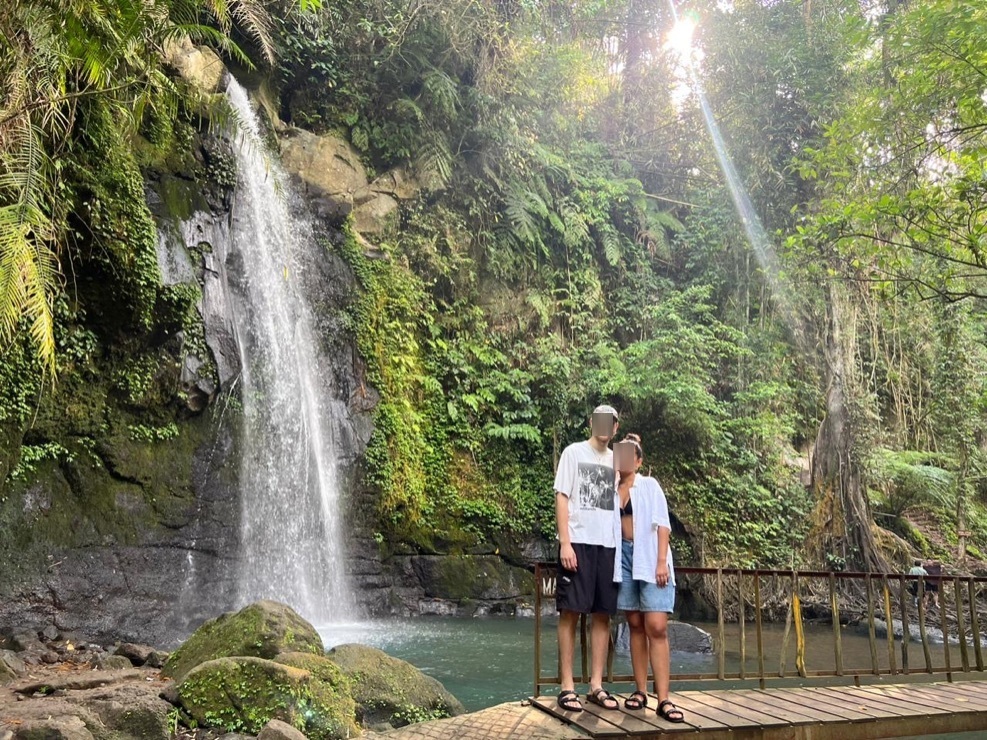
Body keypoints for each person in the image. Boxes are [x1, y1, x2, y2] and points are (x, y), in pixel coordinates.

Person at [553, 404, 622, 713]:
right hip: (578, 542)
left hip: (607, 545)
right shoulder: (573, 453)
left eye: (611, 422)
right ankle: (567, 686)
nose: (605, 426)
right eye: (600, 420)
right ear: (592, 423)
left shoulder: (616, 460)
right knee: (570, 611)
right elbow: (562, 497)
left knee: (602, 614)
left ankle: (596, 685)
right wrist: (565, 542)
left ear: (615, 428)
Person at [614, 433, 684, 723]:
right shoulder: (611, 489)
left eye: (631, 454)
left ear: (639, 461)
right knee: (634, 624)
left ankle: (664, 698)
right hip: (624, 559)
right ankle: (640, 691)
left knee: (656, 626)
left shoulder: (649, 485)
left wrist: (660, 562)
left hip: (650, 556)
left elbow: (662, 524)